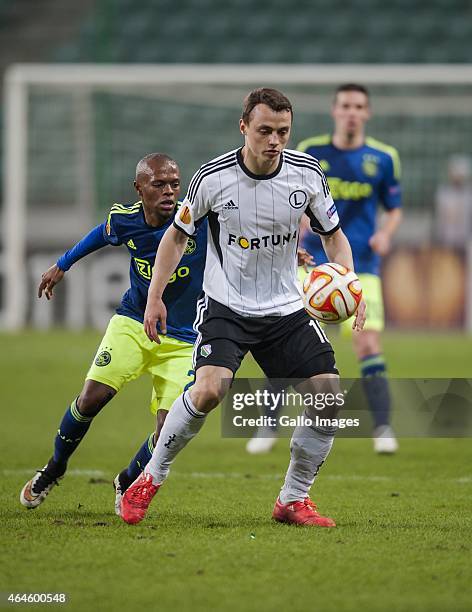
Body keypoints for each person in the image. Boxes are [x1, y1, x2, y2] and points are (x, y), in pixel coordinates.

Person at [120, 88, 366, 527]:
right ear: (244, 127)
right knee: (209, 391)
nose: (274, 140)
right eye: (265, 130)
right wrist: (154, 296)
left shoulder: (307, 174)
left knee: (328, 397)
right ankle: (150, 477)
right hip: (226, 305)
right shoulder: (212, 178)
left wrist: (350, 283)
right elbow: (176, 237)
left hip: (287, 308)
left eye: (283, 132)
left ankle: (293, 499)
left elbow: (333, 234)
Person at [20, 153, 207, 513]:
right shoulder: (125, 220)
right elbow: (97, 236)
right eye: (158, 185)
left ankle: (127, 479)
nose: (169, 192)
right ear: (139, 189)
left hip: (185, 338)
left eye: (174, 184)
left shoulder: (196, 216)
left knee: (169, 428)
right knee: (90, 398)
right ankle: (55, 466)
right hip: (134, 322)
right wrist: (62, 265)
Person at [297, 83, 402, 454]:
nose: (352, 112)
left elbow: (394, 207)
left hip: (363, 267)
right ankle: (268, 424)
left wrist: (386, 234)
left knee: (367, 341)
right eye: (346, 105)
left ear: (367, 112)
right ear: (334, 110)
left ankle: (383, 428)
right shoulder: (310, 152)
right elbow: (292, 203)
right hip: (313, 266)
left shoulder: (384, 157)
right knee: (294, 343)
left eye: (359, 106)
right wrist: (297, 233)